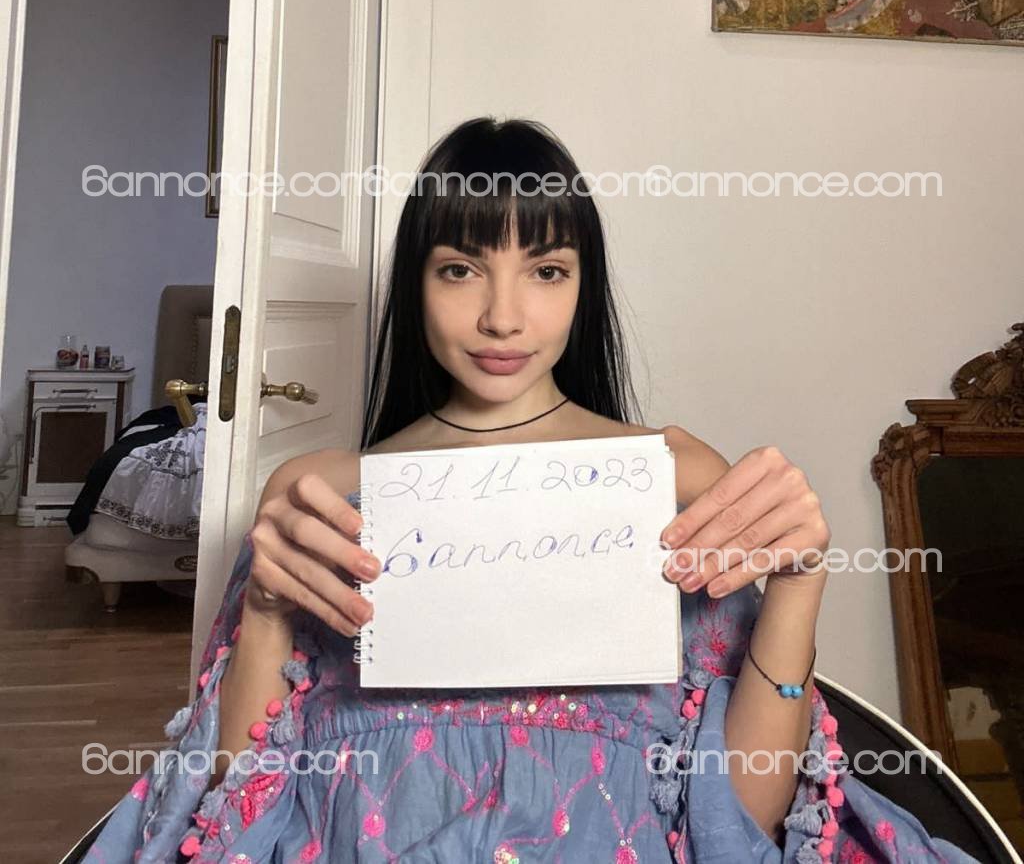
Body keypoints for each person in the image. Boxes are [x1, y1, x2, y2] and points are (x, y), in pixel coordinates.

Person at [84, 118, 981, 863]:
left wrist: (800, 585)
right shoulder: (321, 493)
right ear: (416, 282)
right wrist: (268, 609)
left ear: (583, 286)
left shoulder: (672, 476)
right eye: (460, 268)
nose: (503, 316)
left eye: (546, 270)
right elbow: (232, 814)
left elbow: (741, 820)